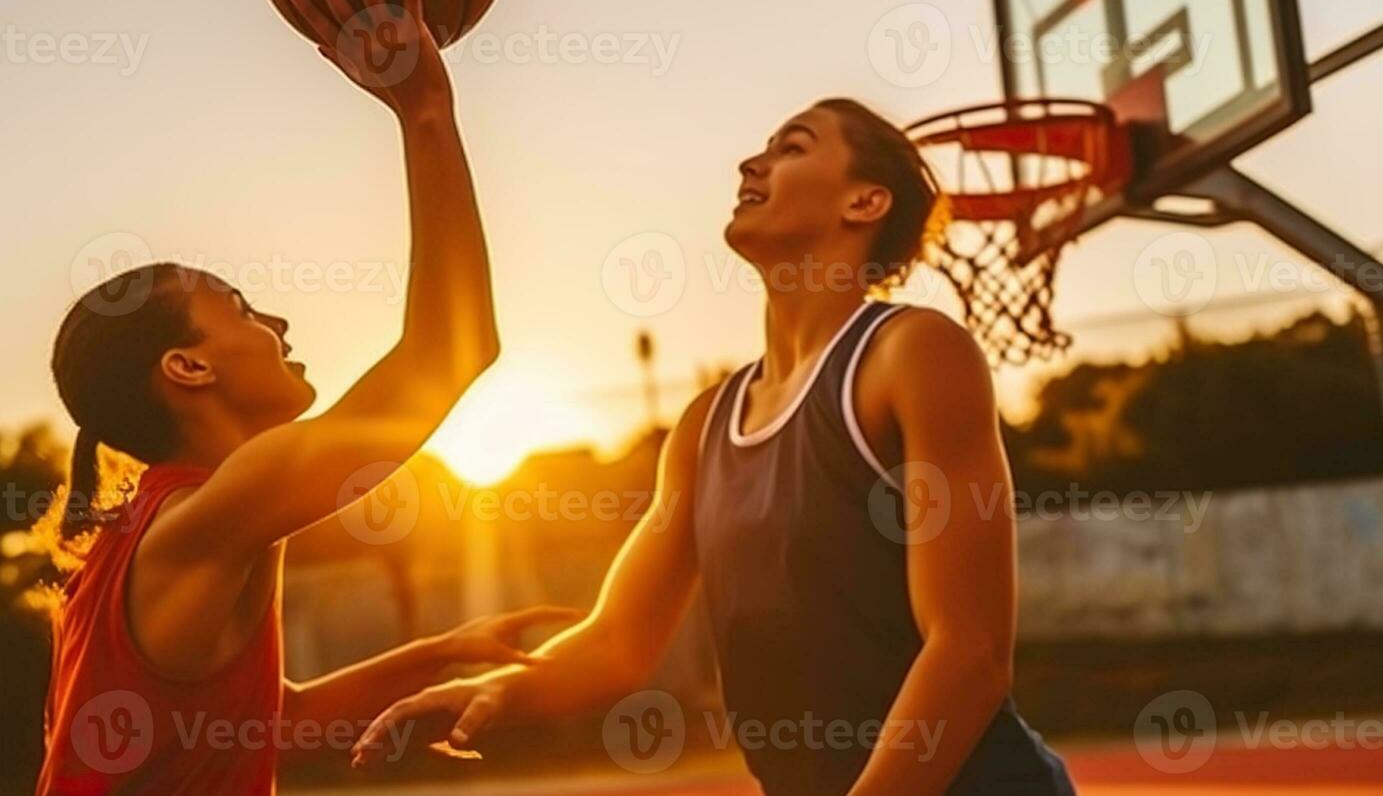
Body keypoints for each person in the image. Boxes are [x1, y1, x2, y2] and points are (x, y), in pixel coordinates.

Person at [352, 99, 1076, 794]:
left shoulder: (912, 353)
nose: (749, 165)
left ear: (864, 202)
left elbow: (970, 651)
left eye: (791, 147)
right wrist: (497, 689)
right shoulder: (707, 424)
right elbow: (615, 641)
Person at [35, 0, 576, 794]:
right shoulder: (205, 515)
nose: (277, 321)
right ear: (187, 367)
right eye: (241, 309)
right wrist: (423, 111)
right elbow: (451, 352)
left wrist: (437, 657)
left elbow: (276, 721)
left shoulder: (173, 536)